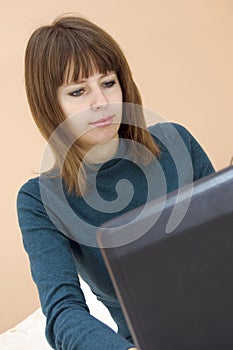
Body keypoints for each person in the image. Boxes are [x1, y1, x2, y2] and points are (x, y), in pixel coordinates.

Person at [17, 14, 215, 350]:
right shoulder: (39, 200)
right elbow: (63, 312)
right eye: (78, 91)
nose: (101, 103)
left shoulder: (175, 141)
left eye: (108, 83)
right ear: (50, 105)